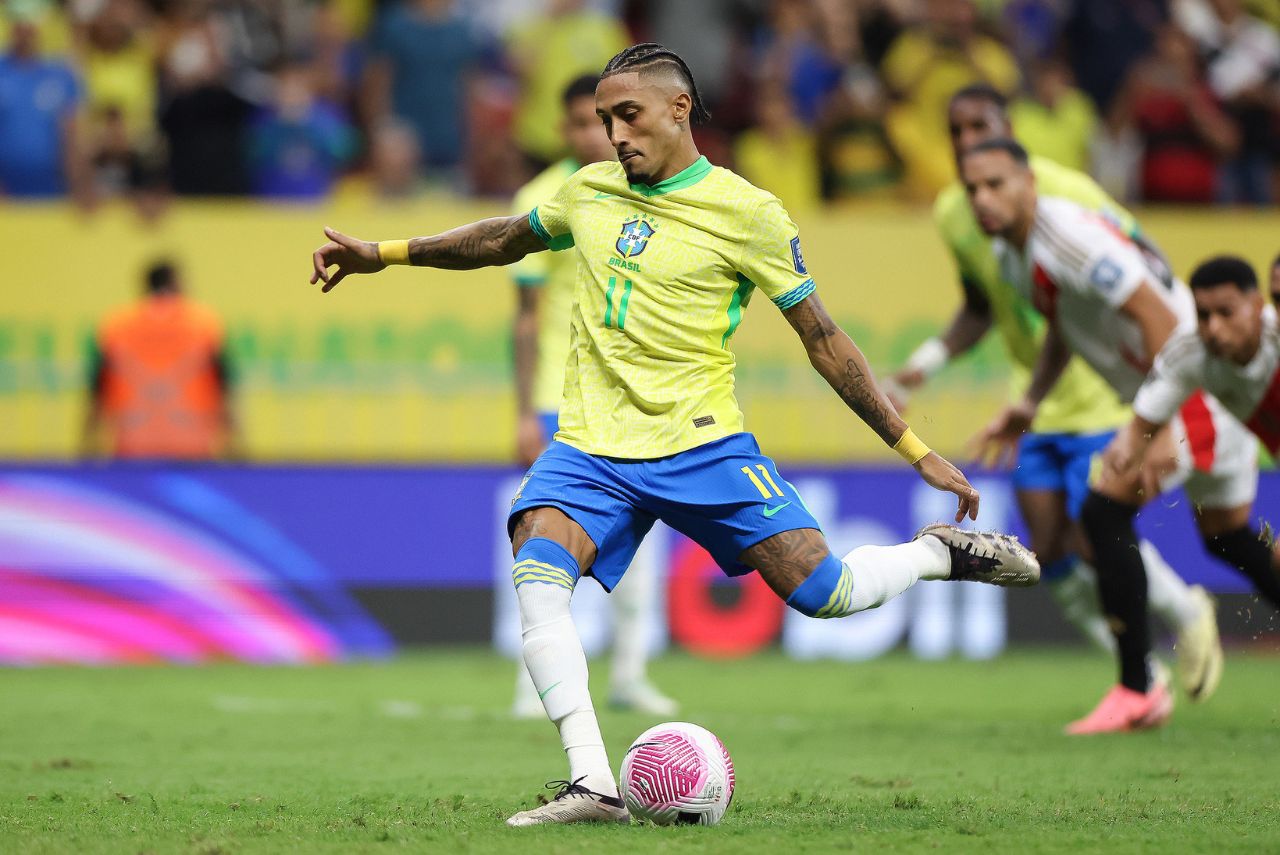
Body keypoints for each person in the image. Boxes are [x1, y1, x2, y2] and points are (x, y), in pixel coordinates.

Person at [310, 43, 1039, 826]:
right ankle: (592, 781)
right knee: (537, 572)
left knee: (826, 594)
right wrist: (382, 255)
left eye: (628, 115)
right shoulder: (585, 191)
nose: (614, 135)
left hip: (701, 442)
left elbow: (824, 339)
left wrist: (916, 449)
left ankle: (935, 553)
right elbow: (502, 239)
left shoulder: (747, 212)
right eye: (603, 119)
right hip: (591, 443)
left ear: (678, 109)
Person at [887, 85, 1212, 660]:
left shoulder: (1065, 194)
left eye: (979, 126)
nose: (968, 142)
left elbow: (1142, 270)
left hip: (1102, 391)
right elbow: (982, 306)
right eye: (955, 132)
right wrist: (923, 367)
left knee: (1095, 532)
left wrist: (1160, 409)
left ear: (1009, 127)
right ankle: (1140, 674)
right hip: (1036, 391)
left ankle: (1179, 618)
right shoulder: (956, 212)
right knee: (1045, 550)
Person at [963, 139, 1259, 735]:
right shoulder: (1012, 256)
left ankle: (1137, 688)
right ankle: (1141, 684)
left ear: (1030, 183)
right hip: (1184, 397)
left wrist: (1158, 427)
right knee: (1230, 542)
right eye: (972, 189)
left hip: (1194, 396)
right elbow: (1067, 327)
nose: (982, 200)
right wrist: (1030, 401)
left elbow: (1162, 319)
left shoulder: (1069, 238)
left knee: (1101, 514)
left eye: (996, 184)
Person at [507, 73, 677, 718]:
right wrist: (524, 409)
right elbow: (524, 317)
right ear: (563, 129)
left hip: (632, 396)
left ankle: (630, 672)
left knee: (641, 545)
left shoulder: (649, 193)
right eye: (579, 123)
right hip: (561, 396)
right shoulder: (542, 197)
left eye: (600, 122)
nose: (593, 135)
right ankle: (536, 683)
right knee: (546, 543)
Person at [1104, 256, 1280, 609]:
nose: (1213, 328)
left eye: (1226, 313)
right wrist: (1125, 451)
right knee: (1224, 537)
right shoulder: (1191, 350)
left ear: (1257, 306)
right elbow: (1141, 426)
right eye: (1203, 315)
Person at [84, 261, 238, 460]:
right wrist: (234, 433)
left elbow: (98, 384)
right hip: (192, 443)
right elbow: (223, 381)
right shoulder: (203, 323)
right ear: (176, 284)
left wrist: (88, 434)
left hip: (133, 441)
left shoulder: (118, 324)